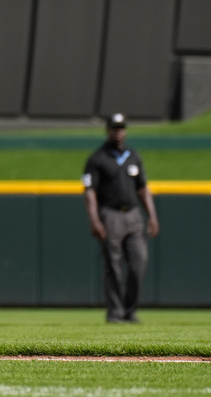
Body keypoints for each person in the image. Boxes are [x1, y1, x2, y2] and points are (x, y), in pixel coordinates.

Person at [82, 113, 160, 323]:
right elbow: (90, 192)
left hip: (134, 215)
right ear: (107, 130)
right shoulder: (98, 158)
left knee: (139, 262)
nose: (118, 132)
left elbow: (143, 189)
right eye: (114, 128)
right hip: (111, 214)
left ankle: (129, 309)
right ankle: (115, 312)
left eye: (121, 128)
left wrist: (152, 216)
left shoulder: (133, 156)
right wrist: (95, 220)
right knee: (113, 266)